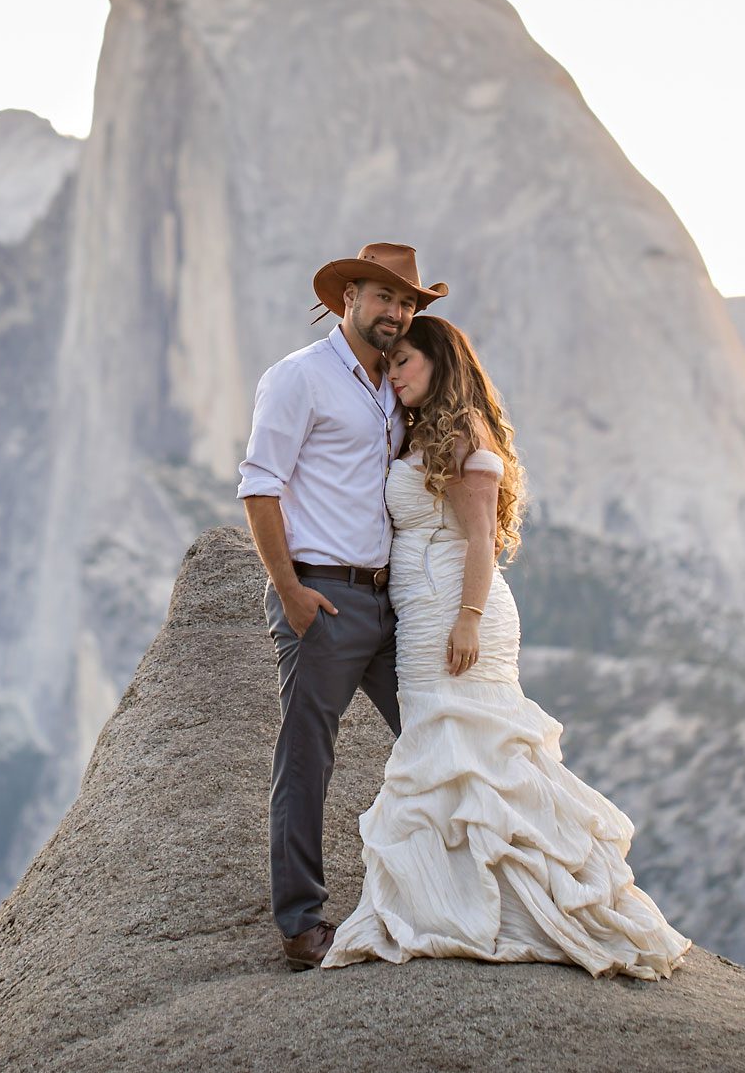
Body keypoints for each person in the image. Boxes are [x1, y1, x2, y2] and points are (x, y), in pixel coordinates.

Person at [320, 315, 692, 979]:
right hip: (424, 610)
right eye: (391, 363)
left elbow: (480, 541)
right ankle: (455, 897)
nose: (394, 372)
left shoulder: (465, 436)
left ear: (440, 362)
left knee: (472, 750)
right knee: (445, 751)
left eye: (405, 361)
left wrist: (466, 619)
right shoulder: (421, 434)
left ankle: (495, 901)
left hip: (455, 611)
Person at [237, 242, 449, 972]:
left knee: (435, 734)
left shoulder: (393, 386)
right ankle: (301, 925)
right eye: (385, 298)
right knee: (307, 763)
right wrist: (292, 593)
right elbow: (259, 487)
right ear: (347, 298)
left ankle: (446, 893)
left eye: (410, 303)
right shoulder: (298, 378)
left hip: (388, 603)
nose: (399, 313)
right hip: (321, 596)